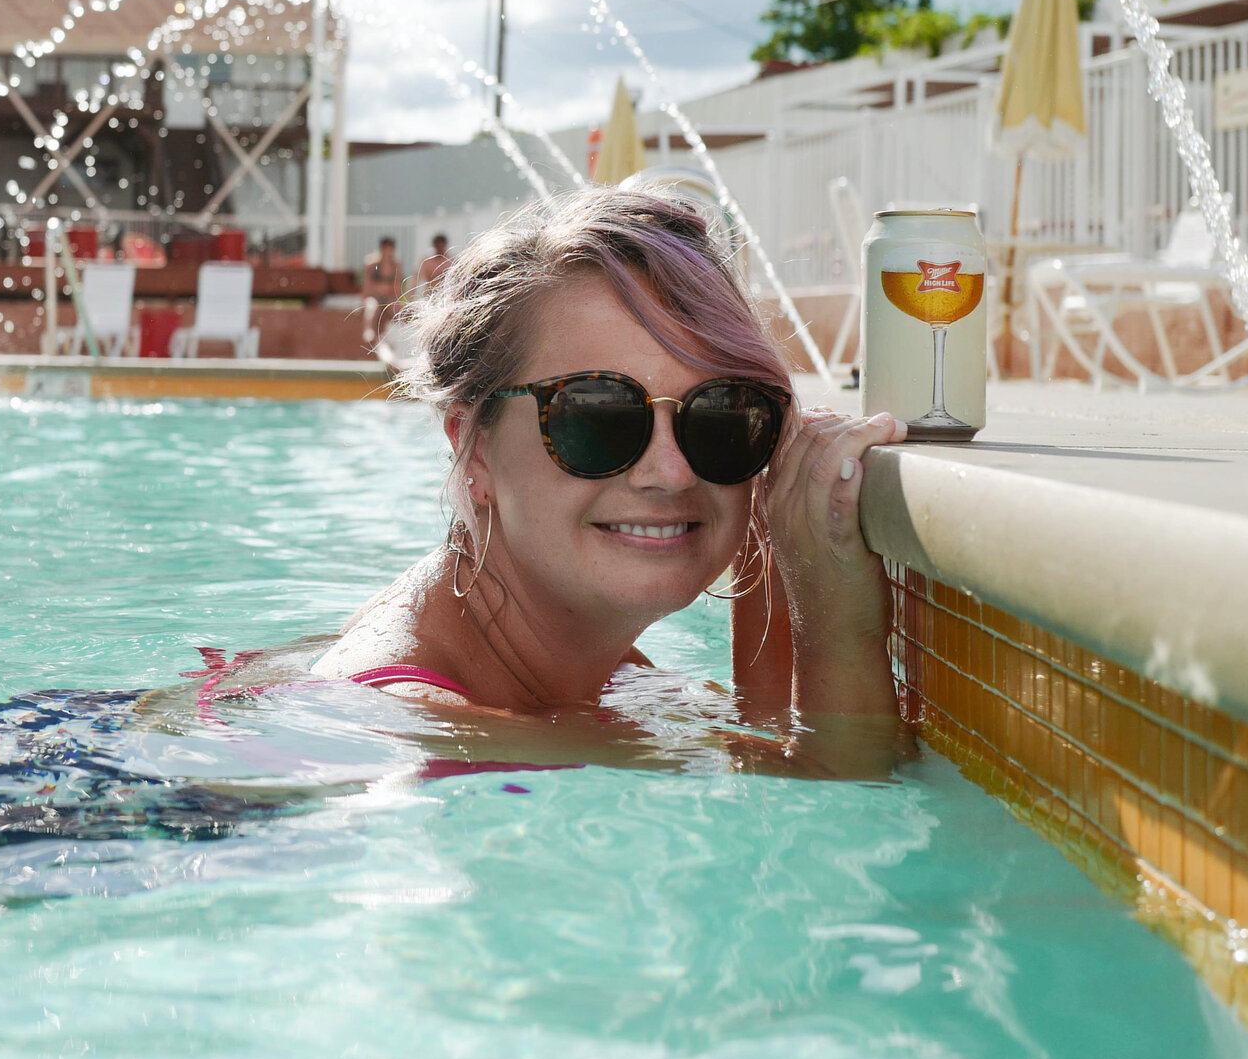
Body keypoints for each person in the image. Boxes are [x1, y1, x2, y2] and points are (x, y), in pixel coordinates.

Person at [313, 186, 906, 735]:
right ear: (476, 448)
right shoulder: (425, 735)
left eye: (722, 417)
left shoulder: (595, 668)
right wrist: (840, 627)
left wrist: (797, 527)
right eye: (598, 416)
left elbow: (763, 744)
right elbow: (830, 828)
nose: (672, 471)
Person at [360, 235, 404, 342]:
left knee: (396, 309)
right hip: (374, 297)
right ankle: (368, 330)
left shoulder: (396, 265)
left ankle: (401, 333)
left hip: (389, 297)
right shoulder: (372, 264)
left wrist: (398, 301)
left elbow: (397, 285)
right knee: (372, 307)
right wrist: (362, 300)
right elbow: (366, 284)